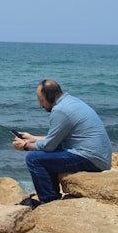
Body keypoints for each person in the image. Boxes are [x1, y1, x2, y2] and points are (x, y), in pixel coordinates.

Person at [12, 79, 112, 208]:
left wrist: (25, 146)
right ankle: (52, 195)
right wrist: (33, 138)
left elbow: (49, 146)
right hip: (98, 156)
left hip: (90, 159)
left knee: (34, 158)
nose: (40, 105)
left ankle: (49, 201)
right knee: (45, 153)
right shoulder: (71, 101)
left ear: (50, 96)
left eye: (41, 100)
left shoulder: (60, 110)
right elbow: (57, 138)